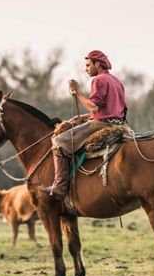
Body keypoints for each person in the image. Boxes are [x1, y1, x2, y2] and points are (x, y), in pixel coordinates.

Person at [40, 50, 127, 200]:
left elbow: (94, 107)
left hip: (102, 125)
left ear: (97, 64)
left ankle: (60, 187)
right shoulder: (116, 81)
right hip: (119, 123)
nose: (85, 69)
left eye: (88, 65)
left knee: (59, 141)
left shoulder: (98, 80)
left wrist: (77, 91)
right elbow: (111, 110)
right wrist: (81, 118)